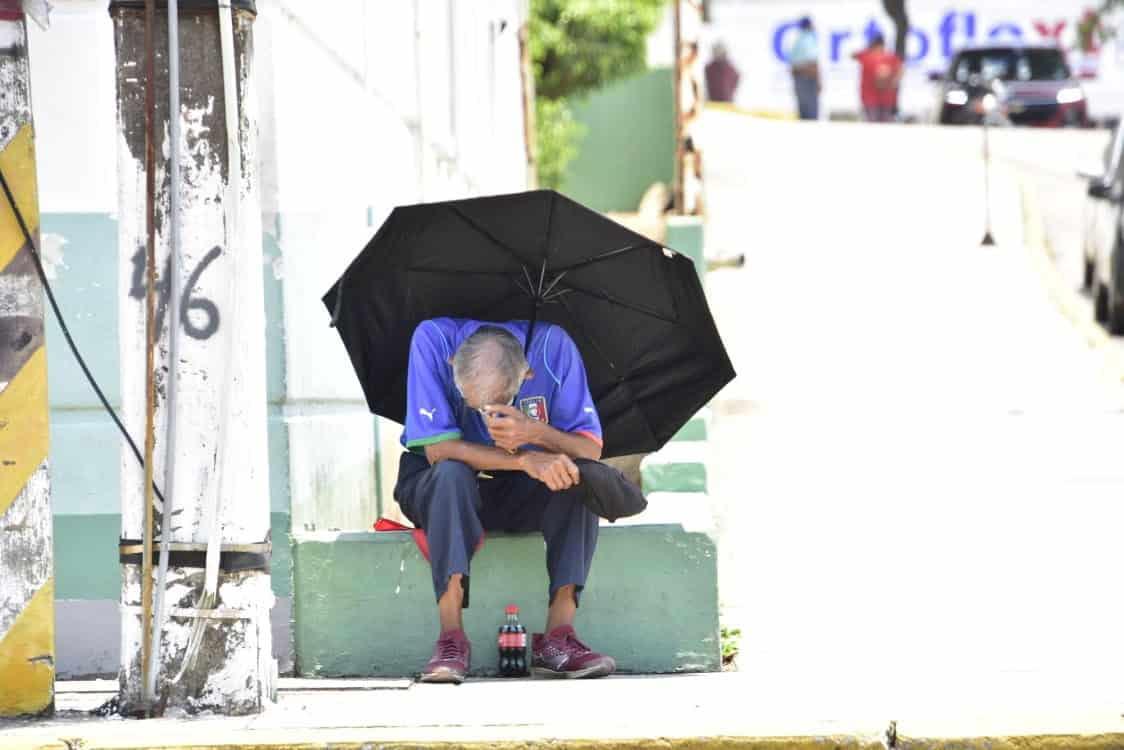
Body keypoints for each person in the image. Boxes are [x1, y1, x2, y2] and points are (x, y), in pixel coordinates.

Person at [394, 318, 618, 684]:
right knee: (451, 473)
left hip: (521, 489)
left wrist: (534, 433)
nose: (485, 413)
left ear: (526, 376)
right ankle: (451, 638)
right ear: (454, 365)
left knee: (579, 475)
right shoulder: (432, 339)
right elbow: (437, 450)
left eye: (497, 403)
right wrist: (522, 458)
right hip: (443, 490)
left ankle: (559, 637)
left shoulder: (552, 347)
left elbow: (590, 449)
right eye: (474, 403)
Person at [852, 33, 902, 123]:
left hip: (877, 99)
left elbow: (853, 55)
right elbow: (900, 70)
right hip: (879, 99)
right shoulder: (888, 57)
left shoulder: (867, 56)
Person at [787, 16, 821, 120]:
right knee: (811, 114)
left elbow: (792, 66)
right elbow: (813, 63)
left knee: (802, 113)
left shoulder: (797, 41)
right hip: (808, 79)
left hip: (799, 79)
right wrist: (818, 80)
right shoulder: (809, 39)